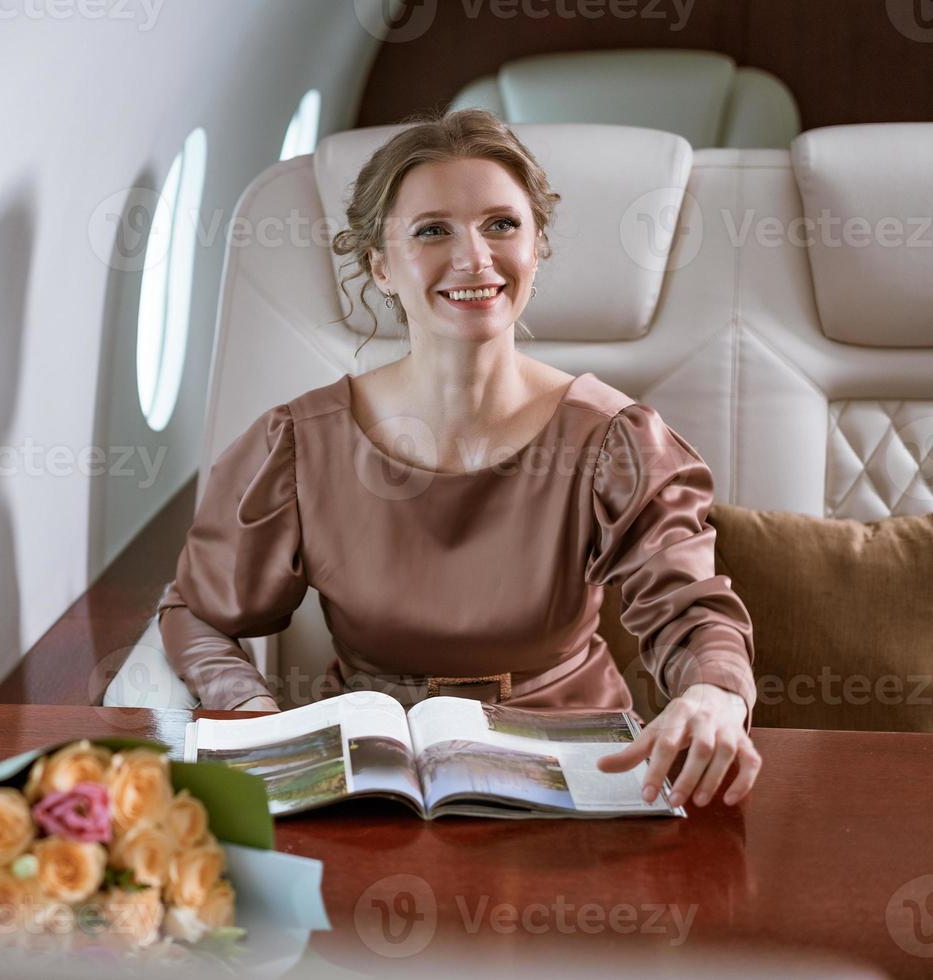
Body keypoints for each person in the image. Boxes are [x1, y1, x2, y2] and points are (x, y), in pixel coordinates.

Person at [156, 109, 760, 808]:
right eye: (431, 230)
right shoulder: (298, 444)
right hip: (370, 777)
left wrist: (714, 694)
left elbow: (692, 614)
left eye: (501, 225)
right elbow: (197, 614)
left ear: (538, 249)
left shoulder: (613, 439)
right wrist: (253, 713)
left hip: (571, 771)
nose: (474, 258)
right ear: (380, 266)